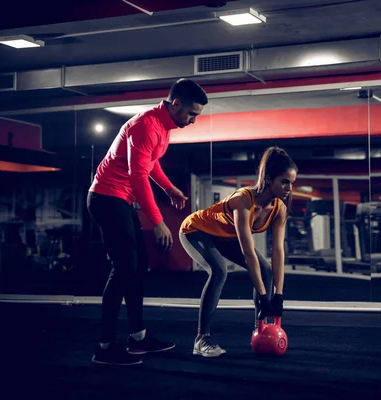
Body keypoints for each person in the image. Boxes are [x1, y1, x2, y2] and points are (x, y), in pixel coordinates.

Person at [87, 78, 208, 366]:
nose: (193, 121)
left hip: (121, 200)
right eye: (191, 114)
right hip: (106, 199)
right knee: (123, 269)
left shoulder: (162, 127)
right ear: (175, 103)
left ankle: (138, 338)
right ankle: (104, 346)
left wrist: (169, 188)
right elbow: (137, 175)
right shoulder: (146, 125)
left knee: (137, 268)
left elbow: (151, 163)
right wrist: (158, 221)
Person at [179, 147, 297, 358]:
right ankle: (201, 339)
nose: (289, 188)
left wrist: (278, 295)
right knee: (219, 271)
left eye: (292, 182)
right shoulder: (244, 199)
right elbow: (247, 252)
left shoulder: (279, 208)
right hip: (197, 230)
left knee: (266, 269)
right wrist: (263, 296)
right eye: (284, 182)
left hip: (225, 236)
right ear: (269, 179)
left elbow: (278, 251)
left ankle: (261, 329)